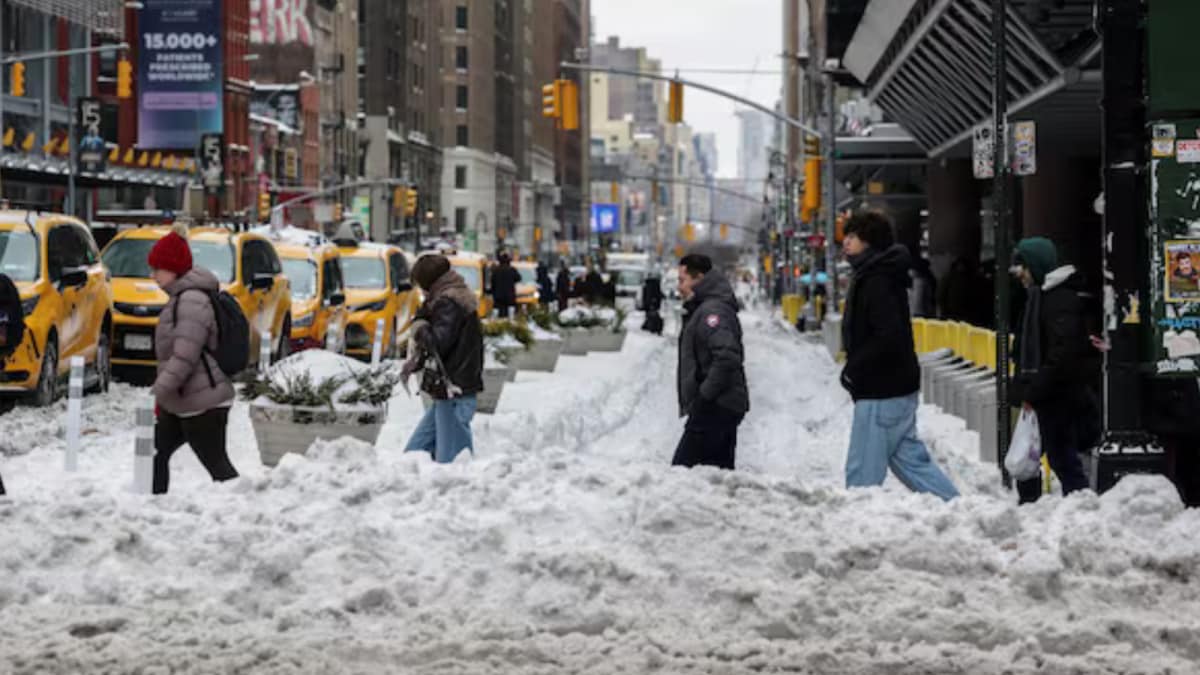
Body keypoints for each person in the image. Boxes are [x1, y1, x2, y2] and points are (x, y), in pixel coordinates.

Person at [840, 210, 958, 501]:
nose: (845, 243)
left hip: (881, 389)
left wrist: (855, 365)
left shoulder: (876, 280)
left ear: (869, 241)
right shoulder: (881, 274)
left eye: (852, 237)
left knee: (862, 475)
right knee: (911, 464)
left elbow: (887, 335)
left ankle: (855, 528)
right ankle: (959, 509)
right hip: (896, 387)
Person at [148, 223, 239, 495]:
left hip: (203, 401)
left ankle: (244, 508)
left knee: (217, 466)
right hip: (183, 399)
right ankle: (152, 505)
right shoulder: (180, 298)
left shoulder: (191, 300)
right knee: (155, 452)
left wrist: (159, 389)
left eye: (157, 269)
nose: (152, 275)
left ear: (174, 268)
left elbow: (184, 355)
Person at [1011, 237, 1099, 503]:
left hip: (1057, 395)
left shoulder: (1057, 300)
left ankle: (1079, 507)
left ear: (1036, 265)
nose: (1019, 274)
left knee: (1059, 458)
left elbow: (1062, 353)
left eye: (1022, 266)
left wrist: (1035, 388)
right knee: (1035, 454)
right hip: (1049, 392)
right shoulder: (1042, 297)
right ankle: (1034, 507)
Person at [402, 254, 484, 463]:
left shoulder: (447, 302)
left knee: (452, 462)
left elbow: (437, 342)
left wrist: (420, 326)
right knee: (415, 454)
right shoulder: (453, 296)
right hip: (451, 388)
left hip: (454, 389)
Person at [674, 254, 749, 470]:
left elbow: (727, 356)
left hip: (717, 406)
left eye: (682, 280)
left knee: (682, 473)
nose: (679, 287)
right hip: (719, 405)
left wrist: (704, 397)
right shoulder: (704, 308)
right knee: (715, 477)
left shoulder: (712, 312)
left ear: (699, 279)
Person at [491, 253, 520, 318]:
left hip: (498, 296)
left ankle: (495, 323)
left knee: (497, 312)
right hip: (510, 296)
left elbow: (492, 282)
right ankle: (511, 322)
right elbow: (518, 278)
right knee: (511, 312)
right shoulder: (512, 270)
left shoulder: (496, 270)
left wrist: (493, 292)